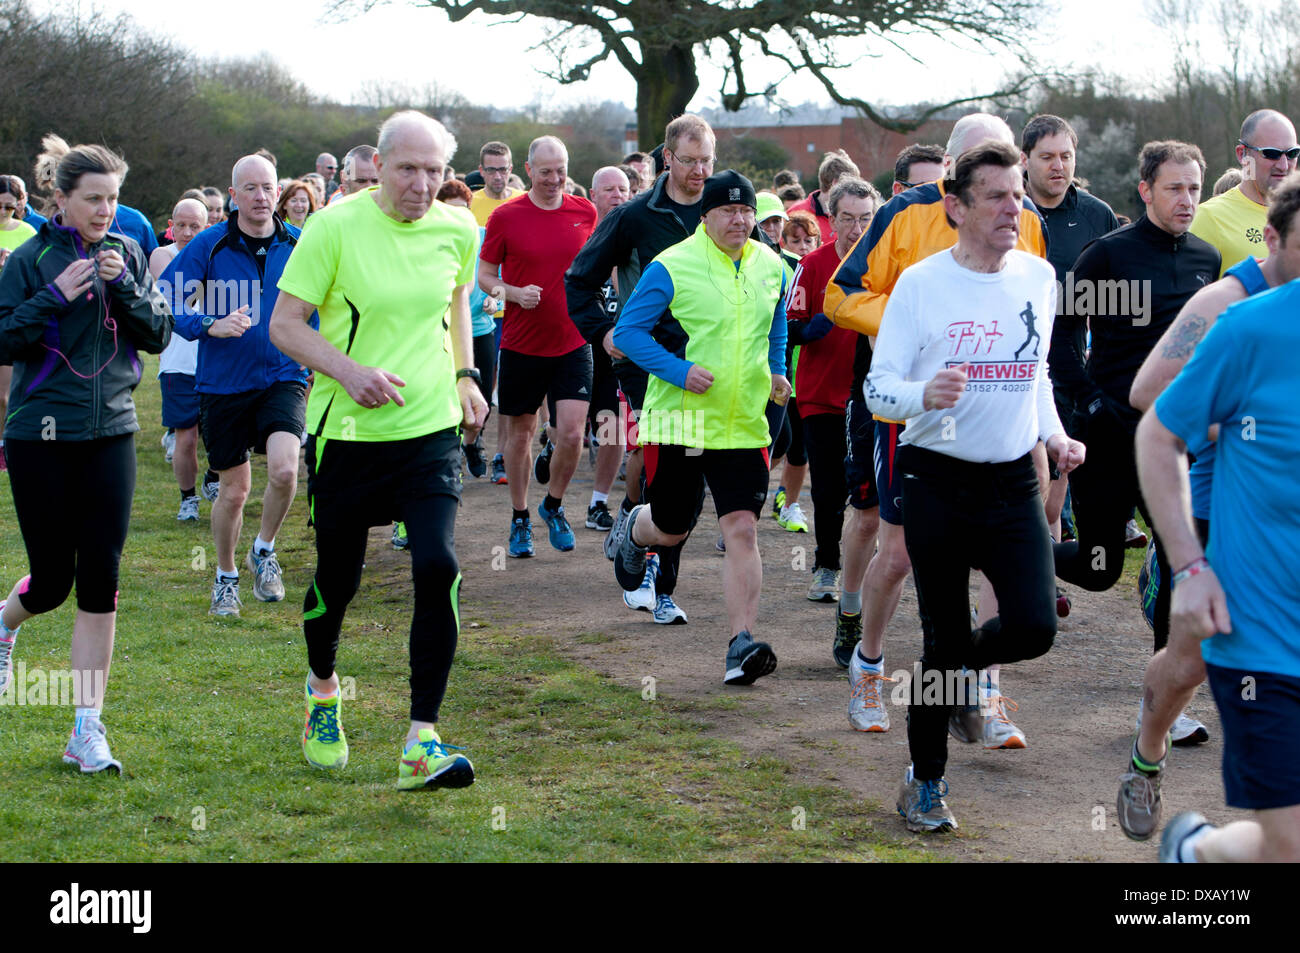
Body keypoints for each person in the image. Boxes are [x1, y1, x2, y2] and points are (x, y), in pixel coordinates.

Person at [865, 140, 1085, 832]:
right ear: (955, 206)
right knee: (943, 636)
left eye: (1017, 195)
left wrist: (1053, 434)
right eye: (996, 196)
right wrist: (924, 393)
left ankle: (956, 676)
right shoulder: (922, 284)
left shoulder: (1037, 277)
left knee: (1034, 626)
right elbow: (879, 387)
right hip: (937, 481)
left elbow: (1038, 373)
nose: (1011, 207)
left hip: (1015, 477)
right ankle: (924, 783)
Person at [269, 110, 488, 789]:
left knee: (438, 563)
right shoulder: (333, 227)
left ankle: (421, 739)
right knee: (339, 580)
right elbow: (284, 325)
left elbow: (453, 309)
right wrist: (348, 371)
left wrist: (465, 376)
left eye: (433, 171)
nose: (421, 184)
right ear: (379, 168)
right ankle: (323, 690)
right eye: (407, 170)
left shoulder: (459, 228)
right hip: (349, 434)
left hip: (428, 429)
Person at [826, 113, 1049, 749]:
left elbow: (1028, 326)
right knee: (895, 554)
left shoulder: (1022, 220)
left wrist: (1047, 429)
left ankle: (983, 687)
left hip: (999, 418)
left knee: (995, 567)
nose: (1005, 192)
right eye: (983, 163)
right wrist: (917, 331)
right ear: (953, 173)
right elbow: (842, 294)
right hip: (918, 414)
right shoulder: (904, 214)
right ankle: (869, 667)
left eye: (1009, 169)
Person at [1115, 172, 1300, 843]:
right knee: (1189, 661)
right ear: (1272, 239)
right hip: (1216, 505)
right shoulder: (1229, 303)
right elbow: (1147, 394)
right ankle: (1148, 750)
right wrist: (1241, 418)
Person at [0, 134, 171, 774]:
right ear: (62, 199)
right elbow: (2, 337)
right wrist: (55, 296)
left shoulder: (127, 251)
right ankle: (6, 622)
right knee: (52, 582)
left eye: (113, 199)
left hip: (113, 433)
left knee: (101, 579)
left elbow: (157, 333)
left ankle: (85, 729)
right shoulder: (31, 257)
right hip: (40, 434)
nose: (105, 211)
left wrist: (124, 285)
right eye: (93, 199)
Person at [1048, 140, 1220, 743]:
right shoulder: (1108, 256)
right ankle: (1028, 558)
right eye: (1175, 188)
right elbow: (1061, 340)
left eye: (1195, 188)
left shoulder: (1207, 259)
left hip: (1176, 439)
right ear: (1145, 190)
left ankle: (1165, 706)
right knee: (1099, 570)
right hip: (1111, 433)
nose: (1187, 200)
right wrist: (1093, 404)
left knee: (1181, 558)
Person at [612, 170, 791, 684]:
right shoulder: (673, 265)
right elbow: (628, 333)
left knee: (743, 527)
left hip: (742, 422)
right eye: (728, 211)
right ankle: (634, 528)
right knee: (673, 527)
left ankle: (741, 643)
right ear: (705, 216)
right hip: (682, 420)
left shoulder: (771, 266)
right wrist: (679, 371)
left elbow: (776, 320)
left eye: (746, 212)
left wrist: (777, 368)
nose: (739, 220)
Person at [565, 114, 718, 624]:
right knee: (670, 471)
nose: (699, 171)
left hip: (713, 366)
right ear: (667, 158)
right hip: (648, 363)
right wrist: (603, 333)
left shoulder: (726, 210)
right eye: (689, 161)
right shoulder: (633, 216)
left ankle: (634, 527)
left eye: (707, 161)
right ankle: (661, 581)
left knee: (691, 486)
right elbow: (579, 280)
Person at [165, 154, 310, 617]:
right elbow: (169, 295)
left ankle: (264, 550)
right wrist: (209, 322)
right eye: (250, 188)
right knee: (235, 490)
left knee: (286, 470)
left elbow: (325, 304)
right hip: (224, 384)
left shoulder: (300, 244)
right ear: (233, 196)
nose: (261, 197)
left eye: (268, 187)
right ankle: (226, 576)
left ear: (278, 193)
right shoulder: (210, 245)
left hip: (283, 375)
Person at [479, 136, 597, 557]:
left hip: (572, 341)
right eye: (545, 171)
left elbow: (596, 268)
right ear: (528, 170)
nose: (554, 178)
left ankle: (554, 505)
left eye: (560, 169)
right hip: (521, 344)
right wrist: (511, 292)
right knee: (521, 434)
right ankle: (519, 517)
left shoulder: (586, 212)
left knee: (570, 434)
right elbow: (485, 276)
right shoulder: (506, 216)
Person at [1020, 114, 1121, 553]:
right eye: (1047, 157)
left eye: (1066, 156)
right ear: (1025, 160)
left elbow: (1115, 296)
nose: (1058, 166)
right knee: (1011, 489)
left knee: (1052, 492)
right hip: (1007, 360)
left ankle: (1044, 582)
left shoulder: (1097, 216)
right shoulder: (1005, 205)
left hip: (1067, 367)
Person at [783, 177, 880, 622]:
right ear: (831, 219)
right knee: (826, 484)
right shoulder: (815, 264)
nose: (856, 228)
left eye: (865, 219)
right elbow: (788, 326)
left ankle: (867, 562)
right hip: (821, 394)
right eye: (847, 219)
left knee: (871, 491)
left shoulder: (886, 264)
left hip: (873, 396)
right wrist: (813, 326)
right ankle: (826, 566)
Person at [150, 197, 210, 521]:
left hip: (215, 359)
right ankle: (188, 499)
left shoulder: (216, 256)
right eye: (181, 225)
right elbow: (173, 292)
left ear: (206, 228)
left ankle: (214, 477)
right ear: (171, 228)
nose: (187, 232)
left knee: (224, 431)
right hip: (177, 359)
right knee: (185, 437)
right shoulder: (162, 255)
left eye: (195, 226)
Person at [1190, 109, 1298, 277]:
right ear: (1242, 154)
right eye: (1271, 154)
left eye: (1292, 154)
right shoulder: (1209, 217)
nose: (1284, 165)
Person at [0, 175, 39, 472]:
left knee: (4, 395)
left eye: (8, 207)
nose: (2, 212)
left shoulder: (27, 232)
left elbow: (35, 277)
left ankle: (4, 444)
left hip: (10, 315)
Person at [787, 149, 859, 242]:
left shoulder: (856, 215)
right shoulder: (795, 213)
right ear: (836, 183)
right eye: (851, 185)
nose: (855, 191)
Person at [470, 141, 519, 228]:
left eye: (502, 170)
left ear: (510, 170)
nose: (497, 177)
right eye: (491, 170)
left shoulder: (525, 200)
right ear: (481, 171)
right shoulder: (469, 204)